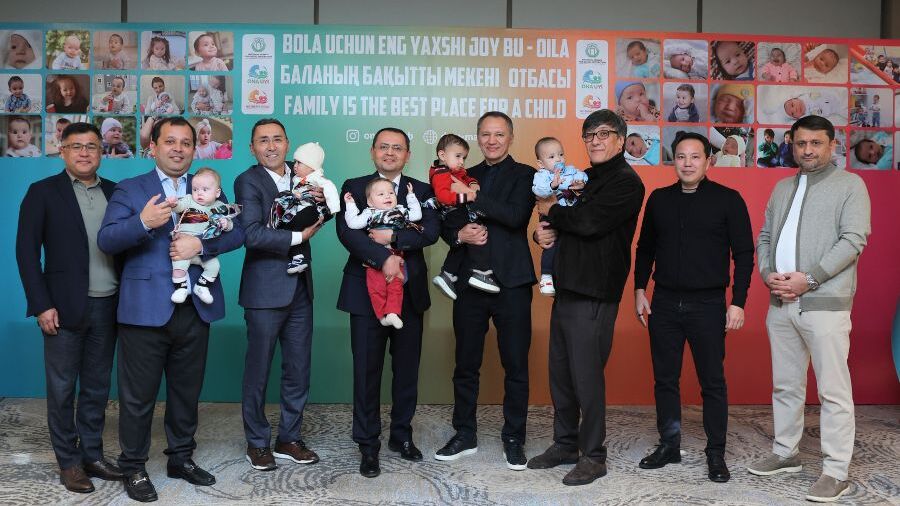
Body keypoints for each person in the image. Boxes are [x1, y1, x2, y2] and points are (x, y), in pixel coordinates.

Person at [97, 116, 244, 502]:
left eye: (186, 143)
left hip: (195, 305)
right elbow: (107, 239)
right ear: (154, 147)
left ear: (194, 149)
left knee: (186, 390)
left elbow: (237, 231)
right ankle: (133, 465)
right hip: (144, 308)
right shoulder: (131, 189)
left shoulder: (206, 185)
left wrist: (203, 246)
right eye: (170, 141)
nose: (178, 149)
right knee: (137, 396)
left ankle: (181, 458)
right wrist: (143, 223)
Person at [748, 115, 871, 503]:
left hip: (824, 305)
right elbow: (765, 236)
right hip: (781, 301)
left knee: (833, 391)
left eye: (816, 143)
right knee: (786, 384)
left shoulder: (850, 185)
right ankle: (785, 453)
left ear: (832, 145)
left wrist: (810, 279)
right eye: (801, 143)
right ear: (792, 144)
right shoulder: (783, 186)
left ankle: (836, 472)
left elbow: (853, 240)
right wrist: (767, 274)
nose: (808, 150)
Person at [529, 109, 645, 485]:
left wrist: (551, 211)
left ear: (621, 140)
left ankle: (593, 455)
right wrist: (541, 233)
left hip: (594, 290)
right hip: (566, 286)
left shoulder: (626, 182)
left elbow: (589, 223)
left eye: (604, 134)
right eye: (589, 134)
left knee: (586, 378)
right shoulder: (582, 178)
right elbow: (557, 221)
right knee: (561, 374)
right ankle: (565, 444)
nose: (595, 141)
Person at [633, 131, 754, 484]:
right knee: (665, 379)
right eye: (681, 156)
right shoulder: (659, 199)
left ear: (708, 161)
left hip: (708, 304)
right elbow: (645, 247)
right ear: (674, 161)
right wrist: (640, 289)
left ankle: (715, 452)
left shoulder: (728, 200)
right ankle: (669, 445)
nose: (687, 163)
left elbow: (744, 254)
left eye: (695, 156)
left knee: (712, 381)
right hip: (664, 302)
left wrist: (738, 302)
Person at [15, 122, 124, 494]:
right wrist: (41, 305)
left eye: (92, 146)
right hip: (61, 308)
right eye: (76, 146)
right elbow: (26, 253)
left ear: (101, 152)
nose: (84, 152)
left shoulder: (116, 192)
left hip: (109, 305)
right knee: (62, 390)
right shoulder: (42, 192)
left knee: (96, 387)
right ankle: (69, 462)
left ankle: (92, 455)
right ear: (62, 150)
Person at [434, 112, 535, 471]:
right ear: (478, 137)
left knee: (516, 365)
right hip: (470, 281)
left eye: (499, 134)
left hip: (512, 281)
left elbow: (516, 216)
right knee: (466, 363)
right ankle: (465, 433)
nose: (492, 141)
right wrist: (458, 234)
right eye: (486, 134)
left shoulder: (525, 175)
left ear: (510, 137)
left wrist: (475, 197)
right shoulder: (461, 173)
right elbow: (446, 218)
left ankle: (514, 438)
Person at [336, 127, 439, 478]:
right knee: (366, 370)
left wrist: (393, 237)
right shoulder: (354, 186)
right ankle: (368, 444)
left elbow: (431, 231)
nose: (390, 153)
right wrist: (383, 259)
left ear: (408, 155)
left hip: (408, 292)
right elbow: (348, 232)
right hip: (365, 293)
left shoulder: (421, 190)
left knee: (407, 369)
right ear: (373, 151)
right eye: (384, 147)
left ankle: (402, 435)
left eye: (398, 148)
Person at [234, 119, 324, 472]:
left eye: (277, 139)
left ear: (288, 144)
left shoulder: (305, 174)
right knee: (258, 370)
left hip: (300, 287)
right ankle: (257, 442)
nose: (271, 146)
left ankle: (290, 437)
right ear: (252, 148)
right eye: (263, 141)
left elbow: (319, 215)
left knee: (299, 369)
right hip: (264, 290)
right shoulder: (247, 181)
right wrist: (299, 238)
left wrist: (321, 206)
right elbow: (252, 234)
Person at [344, 179, 423, 328]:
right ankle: (381, 315)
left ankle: (392, 313)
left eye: (391, 193)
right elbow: (353, 223)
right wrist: (350, 205)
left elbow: (416, 216)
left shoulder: (401, 210)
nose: (387, 196)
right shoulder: (369, 213)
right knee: (376, 287)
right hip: (375, 257)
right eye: (381, 194)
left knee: (396, 285)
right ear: (370, 202)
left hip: (397, 255)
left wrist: (411, 196)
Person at [429, 133, 500, 299]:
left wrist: (472, 183)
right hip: (453, 213)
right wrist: (467, 196)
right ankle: (481, 272)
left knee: (461, 244)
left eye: (464, 158)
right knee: (477, 235)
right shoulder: (440, 174)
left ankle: (447, 274)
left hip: (456, 212)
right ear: (442, 155)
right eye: (458, 156)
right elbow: (443, 196)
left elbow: (465, 177)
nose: (461, 161)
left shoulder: (451, 170)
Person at [169, 167, 239, 304]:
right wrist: (174, 203)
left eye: (205, 190)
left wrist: (226, 224)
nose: (199, 193)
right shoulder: (189, 200)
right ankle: (181, 288)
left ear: (217, 192)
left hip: (204, 251)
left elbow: (232, 226)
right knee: (178, 266)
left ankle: (201, 286)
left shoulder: (220, 206)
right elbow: (179, 207)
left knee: (214, 266)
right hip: (183, 247)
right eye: (195, 189)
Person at [269, 141, 339, 275]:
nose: (294, 166)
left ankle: (298, 257)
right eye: (295, 162)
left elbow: (331, 191)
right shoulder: (297, 178)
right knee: (293, 227)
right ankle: (298, 258)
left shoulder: (318, 178)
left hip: (313, 210)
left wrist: (333, 208)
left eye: (299, 163)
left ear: (311, 166)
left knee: (294, 224)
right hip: (300, 210)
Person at [531, 136, 588, 296]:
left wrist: (581, 182)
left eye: (561, 154)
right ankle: (546, 276)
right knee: (551, 243)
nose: (558, 159)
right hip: (550, 216)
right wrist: (552, 185)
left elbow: (583, 175)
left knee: (570, 242)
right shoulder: (542, 175)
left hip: (569, 213)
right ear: (541, 163)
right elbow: (539, 190)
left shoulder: (570, 171)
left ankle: (568, 275)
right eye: (551, 157)